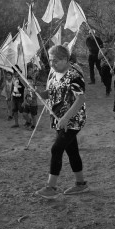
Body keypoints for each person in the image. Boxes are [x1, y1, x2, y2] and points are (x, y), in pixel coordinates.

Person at [35, 45, 89, 199]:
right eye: (51, 60)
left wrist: (66, 118)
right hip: (58, 118)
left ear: (65, 60)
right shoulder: (53, 74)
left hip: (73, 120)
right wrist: (39, 93)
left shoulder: (74, 75)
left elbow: (81, 99)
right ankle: (81, 184)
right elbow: (51, 93)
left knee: (56, 149)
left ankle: (51, 187)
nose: (52, 64)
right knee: (72, 151)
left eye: (56, 61)